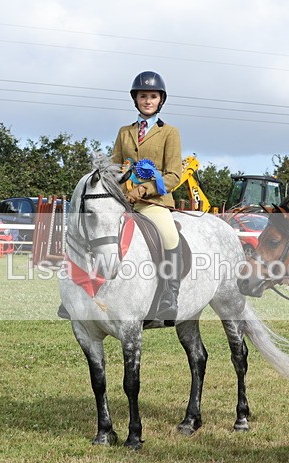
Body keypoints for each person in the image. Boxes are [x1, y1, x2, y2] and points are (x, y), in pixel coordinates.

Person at [113, 71, 183, 322]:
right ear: (136, 99)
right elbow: (116, 167)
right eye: (143, 96)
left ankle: (169, 296)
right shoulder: (124, 132)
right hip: (124, 201)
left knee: (169, 234)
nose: (148, 100)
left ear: (160, 100)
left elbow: (175, 174)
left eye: (153, 96)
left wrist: (143, 190)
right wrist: (120, 189)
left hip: (153, 202)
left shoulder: (170, 133)